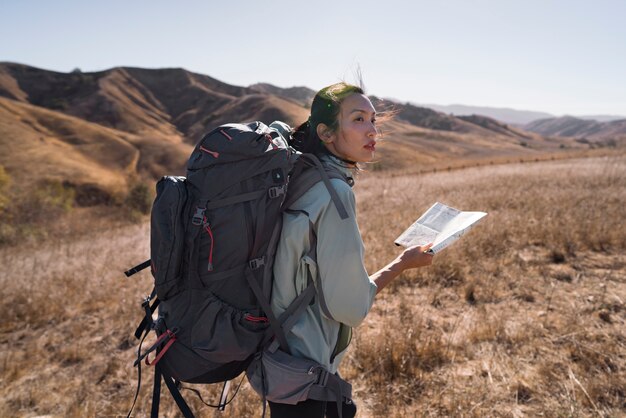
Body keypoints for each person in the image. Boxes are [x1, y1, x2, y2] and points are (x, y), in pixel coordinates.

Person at [266, 82, 434, 418]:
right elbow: (351, 308)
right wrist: (401, 263)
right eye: (358, 119)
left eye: (373, 120)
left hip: (277, 364)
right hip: (308, 381)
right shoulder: (334, 193)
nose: (372, 130)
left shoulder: (297, 177)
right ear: (327, 133)